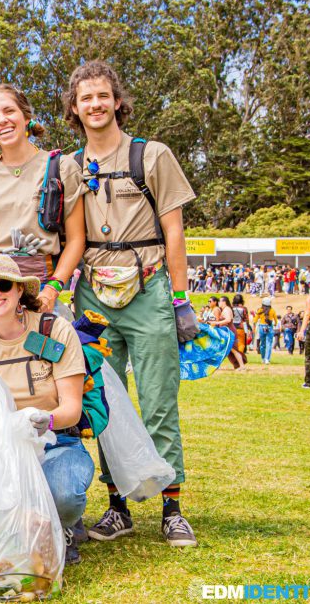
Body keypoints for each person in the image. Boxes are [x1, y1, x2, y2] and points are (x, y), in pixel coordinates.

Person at [59, 61, 197, 547]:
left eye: (102, 95)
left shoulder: (152, 155)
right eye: (85, 98)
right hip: (94, 291)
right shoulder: (70, 166)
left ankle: (172, 506)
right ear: (74, 109)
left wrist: (181, 300)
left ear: (117, 100)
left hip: (149, 286)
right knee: (101, 402)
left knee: (159, 399)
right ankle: (116, 506)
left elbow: (175, 229)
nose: (94, 105)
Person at [0, 254, 93, 565]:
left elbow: (71, 408)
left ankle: (64, 525)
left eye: (3, 284)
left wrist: (42, 421)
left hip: (59, 441)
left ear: (20, 290)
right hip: (3, 452)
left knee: (62, 494)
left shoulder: (54, 330)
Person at [0, 85, 86, 346]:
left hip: (35, 289)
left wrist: (53, 290)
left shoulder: (60, 167)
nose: (2, 120)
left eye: (9, 111)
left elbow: (76, 240)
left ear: (26, 117)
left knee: (39, 375)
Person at [210, 296, 245, 370]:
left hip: (230, 331)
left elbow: (228, 320)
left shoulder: (227, 309)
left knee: (233, 349)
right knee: (222, 349)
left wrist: (217, 322)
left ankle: (242, 366)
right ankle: (217, 365)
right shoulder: (225, 309)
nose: (219, 303)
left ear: (224, 302)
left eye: (220, 301)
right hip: (226, 331)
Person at [253, 298, 277, 366]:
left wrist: (254, 324)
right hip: (269, 327)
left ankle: (263, 358)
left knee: (262, 344)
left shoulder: (260, 310)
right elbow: (275, 320)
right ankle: (267, 359)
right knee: (269, 343)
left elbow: (255, 320)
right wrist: (275, 323)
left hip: (261, 327)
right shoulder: (272, 310)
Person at [232, 294, 250, 364]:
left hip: (232, 328)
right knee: (241, 344)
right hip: (241, 328)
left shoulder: (231, 308)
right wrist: (248, 328)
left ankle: (236, 358)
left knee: (234, 344)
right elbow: (246, 319)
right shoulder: (243, 309)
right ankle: (240, 357)